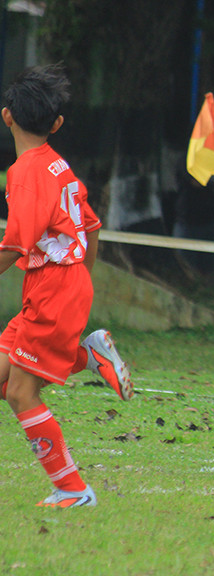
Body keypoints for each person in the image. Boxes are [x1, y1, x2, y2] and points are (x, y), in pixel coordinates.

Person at [1, 64, 134, 508]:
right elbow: (91, 226)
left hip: (53, 289)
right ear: (56, 124)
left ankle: (73, 491)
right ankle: (86, 355)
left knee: (21, 393)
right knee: (4, 380)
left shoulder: (25, 172)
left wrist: (66, 283)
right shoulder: (57, 164)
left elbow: (15, 243)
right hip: (63, 283)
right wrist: (81, 278)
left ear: (6, 117)